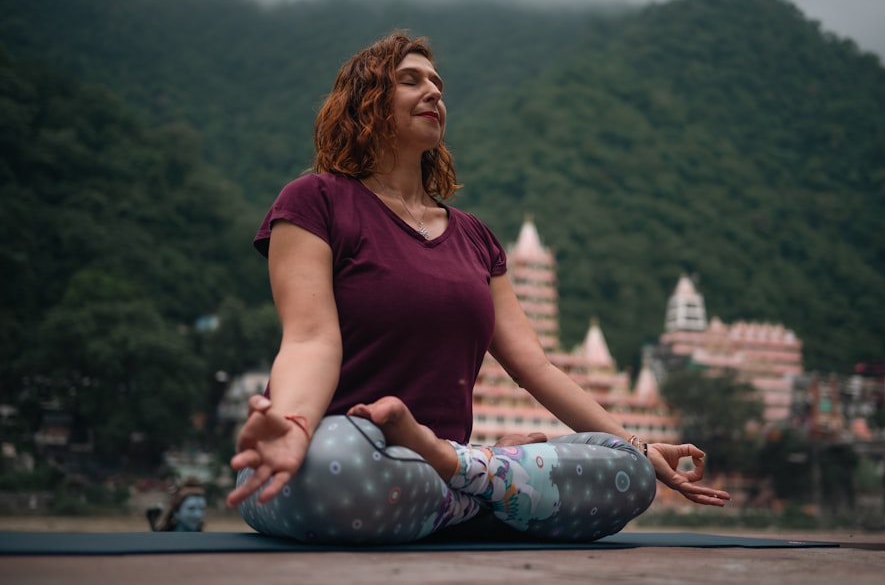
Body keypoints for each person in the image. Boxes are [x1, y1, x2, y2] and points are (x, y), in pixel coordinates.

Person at [226, 32, 730, 544]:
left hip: (426, 475)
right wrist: (292, 429)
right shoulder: (315, 200)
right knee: (340, 468)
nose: (434, 93)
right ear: (366, 101)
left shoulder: (474, 237)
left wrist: (638, 447)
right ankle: (488, 482)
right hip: (338, 452)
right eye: (410, 80)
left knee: (628, 475)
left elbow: (535, 367)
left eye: (438, 85)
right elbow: (311, 340)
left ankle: (457, 469)